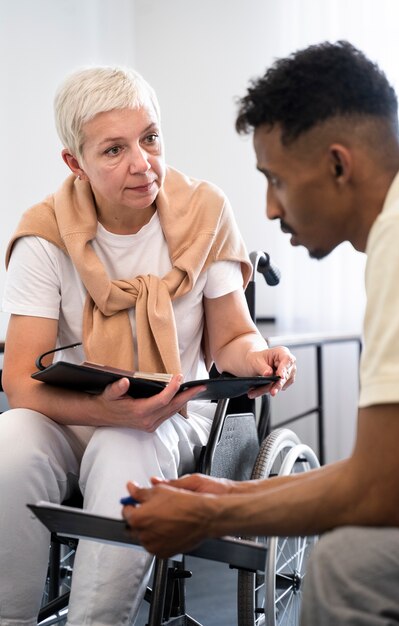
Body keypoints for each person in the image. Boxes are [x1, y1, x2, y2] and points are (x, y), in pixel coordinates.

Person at [122, 41, 399, 625]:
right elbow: (383, 468)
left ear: (338, 164)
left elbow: (379, 491)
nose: (271, 208)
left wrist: (211, 518)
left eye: (275, 179)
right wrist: (225, 495)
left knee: (347, 567)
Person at [0, 65, 296, 625]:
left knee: (123, 447)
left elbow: (231, 335)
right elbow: (19, 381)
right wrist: (99, 408)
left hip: (173, 417)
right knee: (9, 437)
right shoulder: (43, 236)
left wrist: (257, 355)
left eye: (150, 138)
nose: (142, 162)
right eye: (113, 150)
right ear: (75, 163)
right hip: (69, 416)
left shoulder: (205, 215)